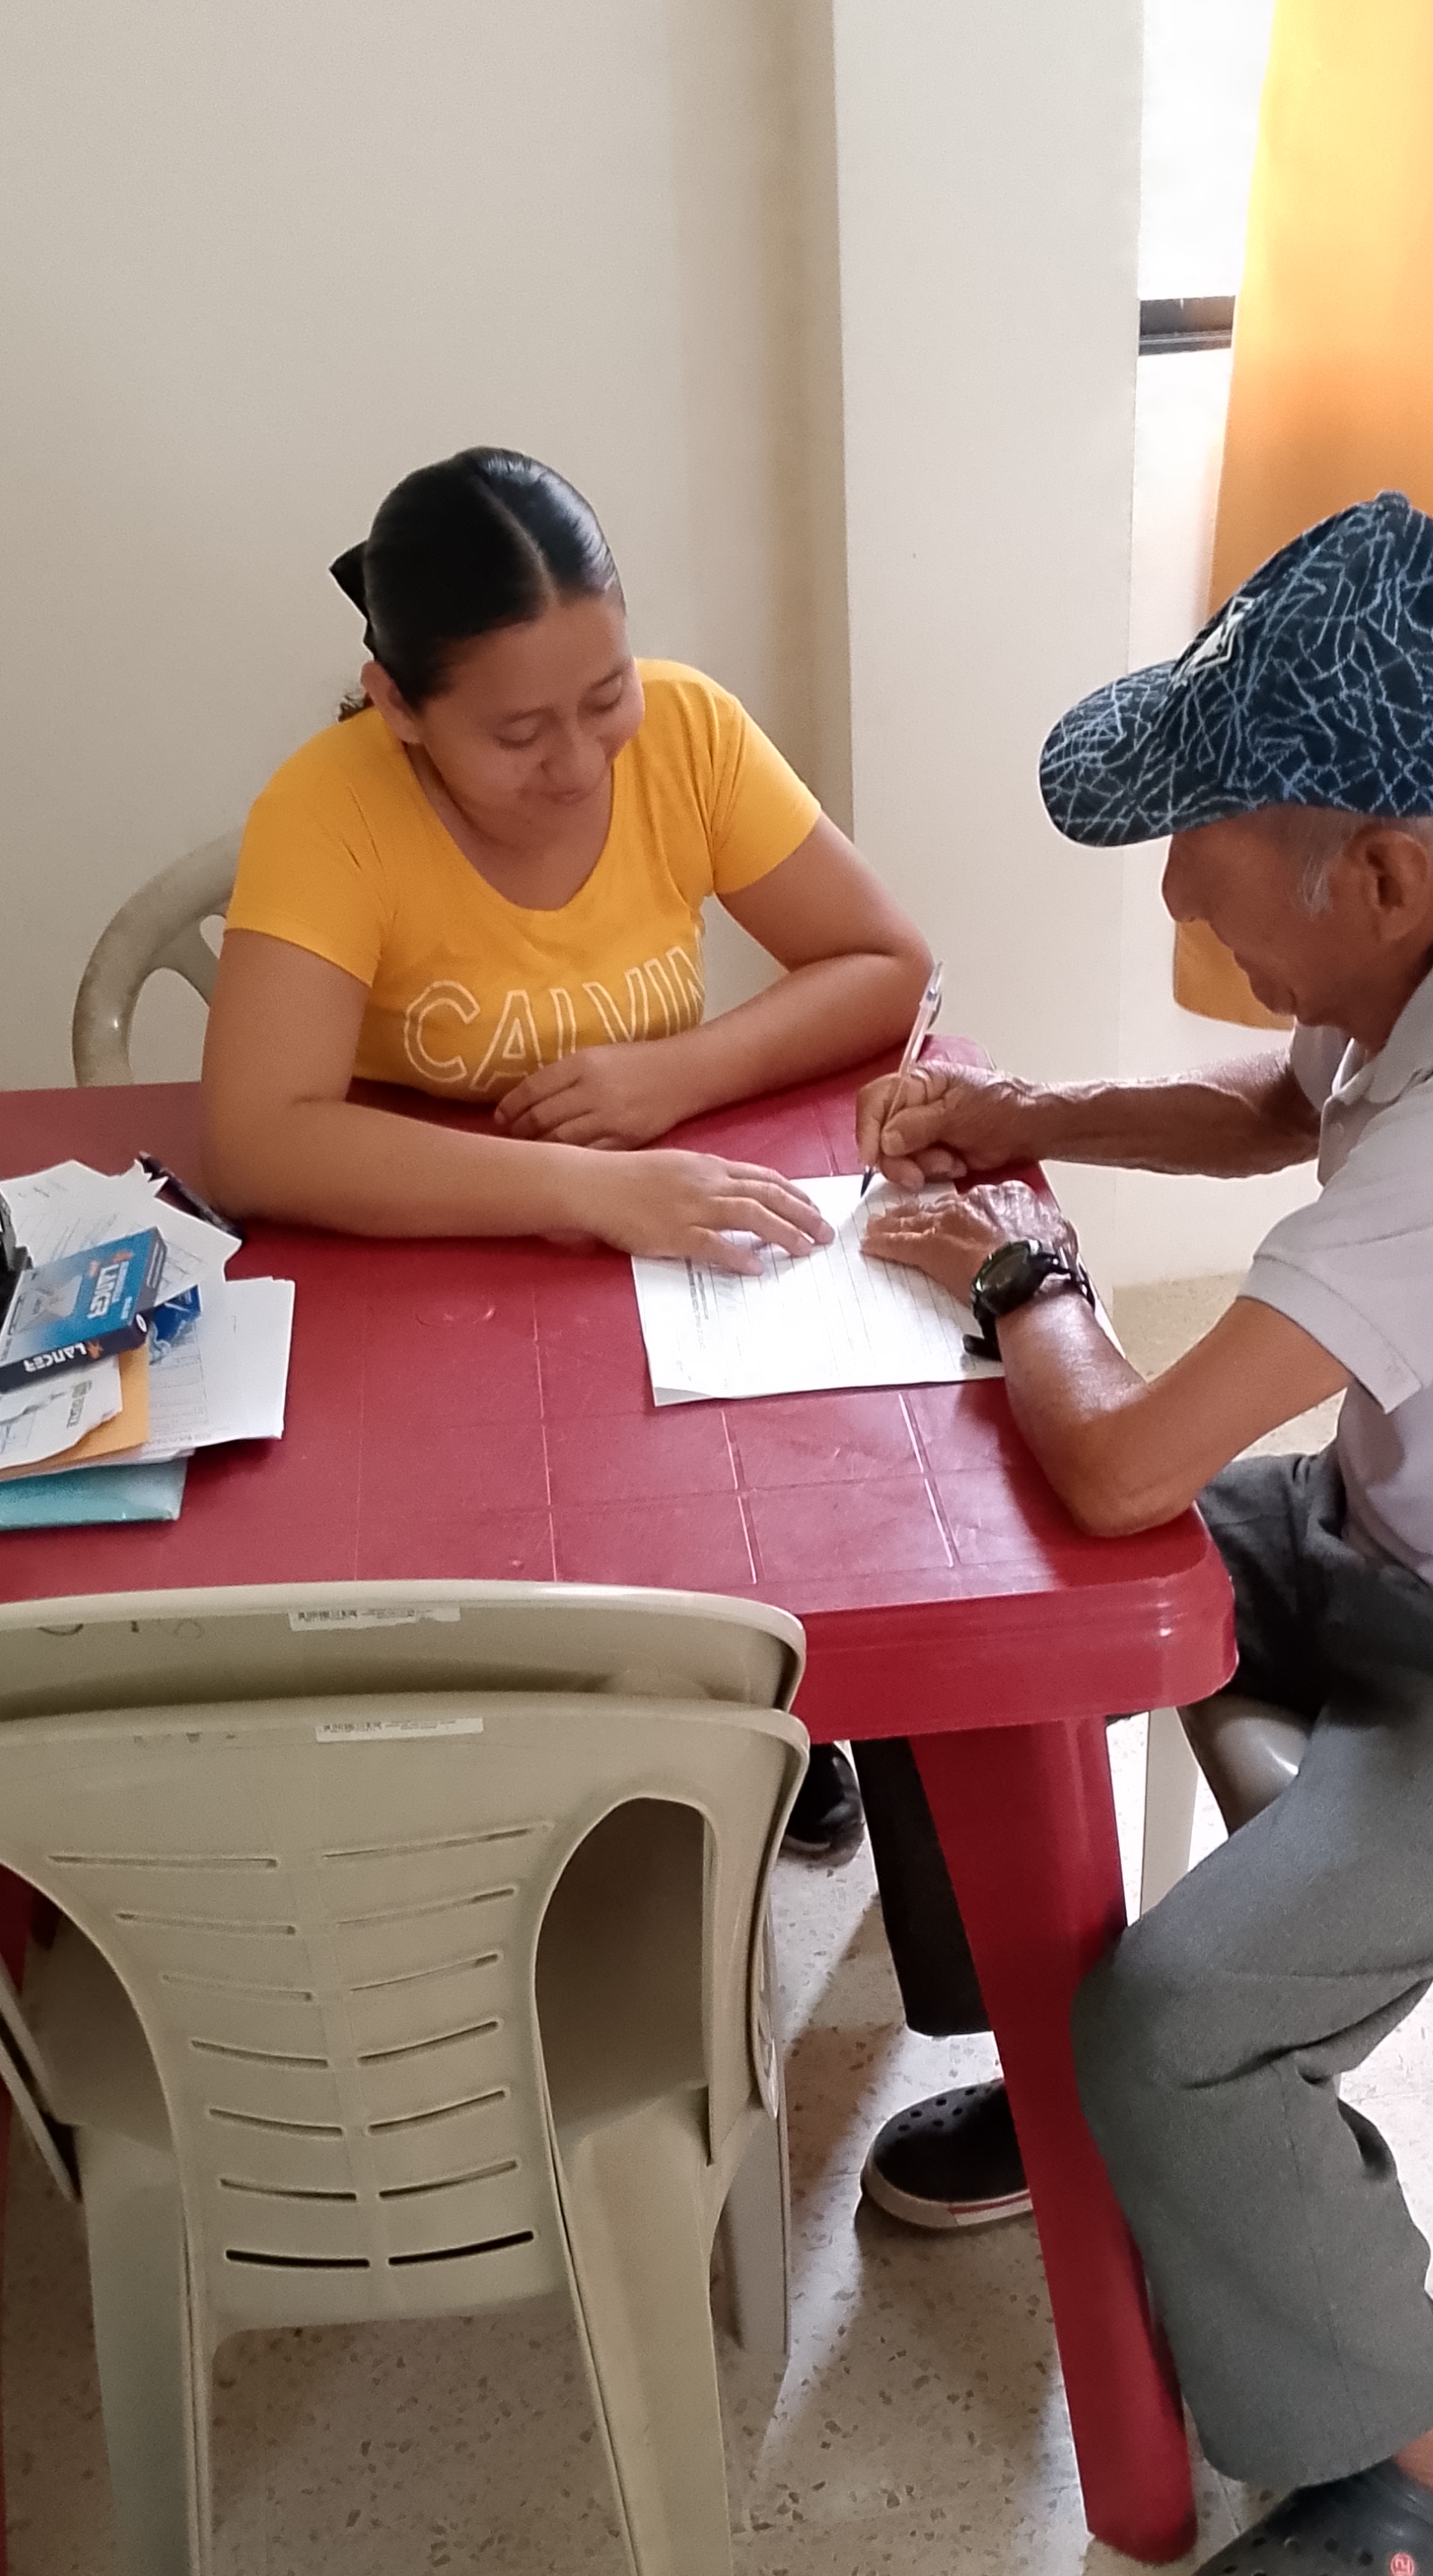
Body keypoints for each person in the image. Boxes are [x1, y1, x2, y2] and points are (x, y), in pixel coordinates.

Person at [854, 489, 1433, 2576]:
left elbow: (1130, 1451)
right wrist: (1028, 1109)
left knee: (1184, 2023)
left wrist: (1022, 1274)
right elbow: (1279, 1098)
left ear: (1378, 872)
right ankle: (1083, 2113)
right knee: (947, 1589)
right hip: (1384, 1538)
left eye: (1200, 860)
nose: (1174, 901)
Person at [203, 443, 934, 1859]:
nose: (583, 761)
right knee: (467, 1576)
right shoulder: (328, 807)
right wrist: (591, 1189)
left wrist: (680, 1074)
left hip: (658, 1251)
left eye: (605, 697)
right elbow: (254, 1137)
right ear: (398, 707)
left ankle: (764, 1713)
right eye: (519, 732)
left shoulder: (691, 735)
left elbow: (887, 964)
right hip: (429, 1261)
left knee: (790, 1490)